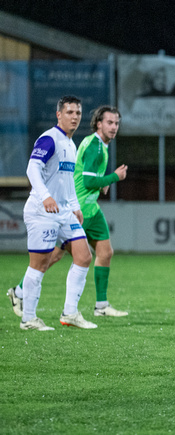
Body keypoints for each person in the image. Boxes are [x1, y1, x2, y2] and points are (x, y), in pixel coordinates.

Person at [8, 106, 129, 318]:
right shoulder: (94, 145)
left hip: (90, 207)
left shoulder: (99, 145)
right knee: (53, 256)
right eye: (109, 122)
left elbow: (86, 176)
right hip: (79, 207)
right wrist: (113, 177)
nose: (114, 127)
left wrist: (104, 182)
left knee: (105, 252)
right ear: (98, 124)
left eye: (117, 123)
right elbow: (88, 180)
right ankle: (20, 293)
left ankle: (100, 305)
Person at [8, 95, 96, 330]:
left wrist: (75, 207)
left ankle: (70, 313)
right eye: (69, 112)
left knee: (84, 256)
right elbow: (32, 168)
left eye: (78, 113)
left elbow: (68, 181)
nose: (75, 117)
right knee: (39, 263)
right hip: (42, 210)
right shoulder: (50, 139)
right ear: (59, 115)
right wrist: (46, 196)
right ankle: (28, 319)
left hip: (65, 211)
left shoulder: (71, 143)